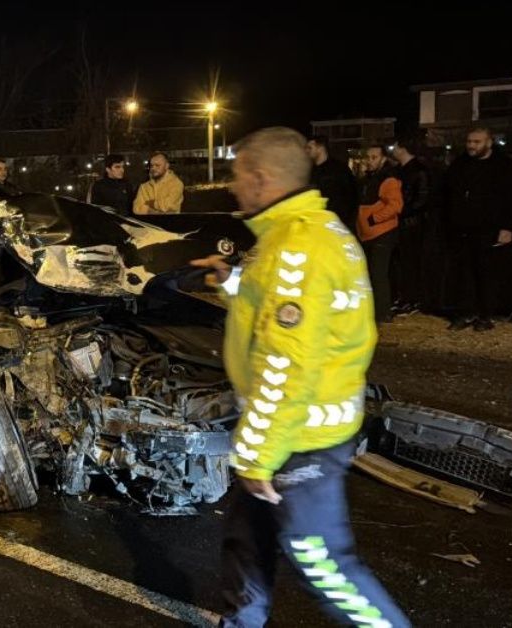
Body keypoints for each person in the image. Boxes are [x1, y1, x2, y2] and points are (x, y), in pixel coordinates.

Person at [191, 127, 409, 628]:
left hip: (300, 439)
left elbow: (285, 365)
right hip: (286, 432)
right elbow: (282, 306)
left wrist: (259, 454)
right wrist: (232, 283)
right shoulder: (307, 233)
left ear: (262, 178)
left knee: (327, 568)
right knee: (247, 543)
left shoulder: (297, 249)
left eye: (237, 175)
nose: (231, 186)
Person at [442, 127, 512, 332]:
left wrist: (508, 227)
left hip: (489, 229)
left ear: (489, 143)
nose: (471, 146)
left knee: (486, 273)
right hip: (462, 229)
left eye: (476, 142)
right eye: (469, 141)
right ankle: (465, 312)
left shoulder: (504, 167)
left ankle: (485, 315)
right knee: (463, 273)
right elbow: (448, 193)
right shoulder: (460, 165)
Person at [356, 145, 403, 324]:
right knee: (374, 274)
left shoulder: (387, 179)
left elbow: (395, 205)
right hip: (370, 233)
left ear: (383, 159)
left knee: (378, 274)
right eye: (368, 157)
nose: (369, 160)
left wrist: (374, 219)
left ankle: (382, 313)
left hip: (381, 232)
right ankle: (378, 311)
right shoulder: (371, 178)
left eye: (374, 157)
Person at [390, 139, 432, 316]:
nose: (393, 150)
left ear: (402, 148)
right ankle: (404, 297)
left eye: (395, 147)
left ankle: (412, 299)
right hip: (402, 222)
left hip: (411, 224)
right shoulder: (402, 170)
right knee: (401, 263)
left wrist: (400, 211)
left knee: (410, 263)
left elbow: (421, 199)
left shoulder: (417, 171)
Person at [306, 135, 359, 233]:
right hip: (316, 225)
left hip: (338, 224)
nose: (307, 151)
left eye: (310, 147)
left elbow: (352, 196)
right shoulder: (309, 171)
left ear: (320, 147)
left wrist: (346, 222)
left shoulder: (340, 170)